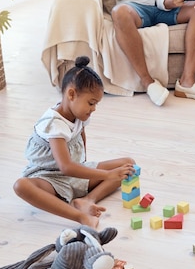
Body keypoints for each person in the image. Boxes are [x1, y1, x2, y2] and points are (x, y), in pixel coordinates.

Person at [13, 56, 137, 228]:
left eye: (96, 104)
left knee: (127, 164)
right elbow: (65, 167)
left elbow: (81, 134)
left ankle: (86, 200)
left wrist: (86, 165)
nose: (93, 108)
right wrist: (107, 175)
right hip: (49, 178)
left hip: (75, 173)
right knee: (21, 186)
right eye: (91, 103)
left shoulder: (79, 114)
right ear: (71, 94)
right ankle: (79, 216)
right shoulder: (54, 125)